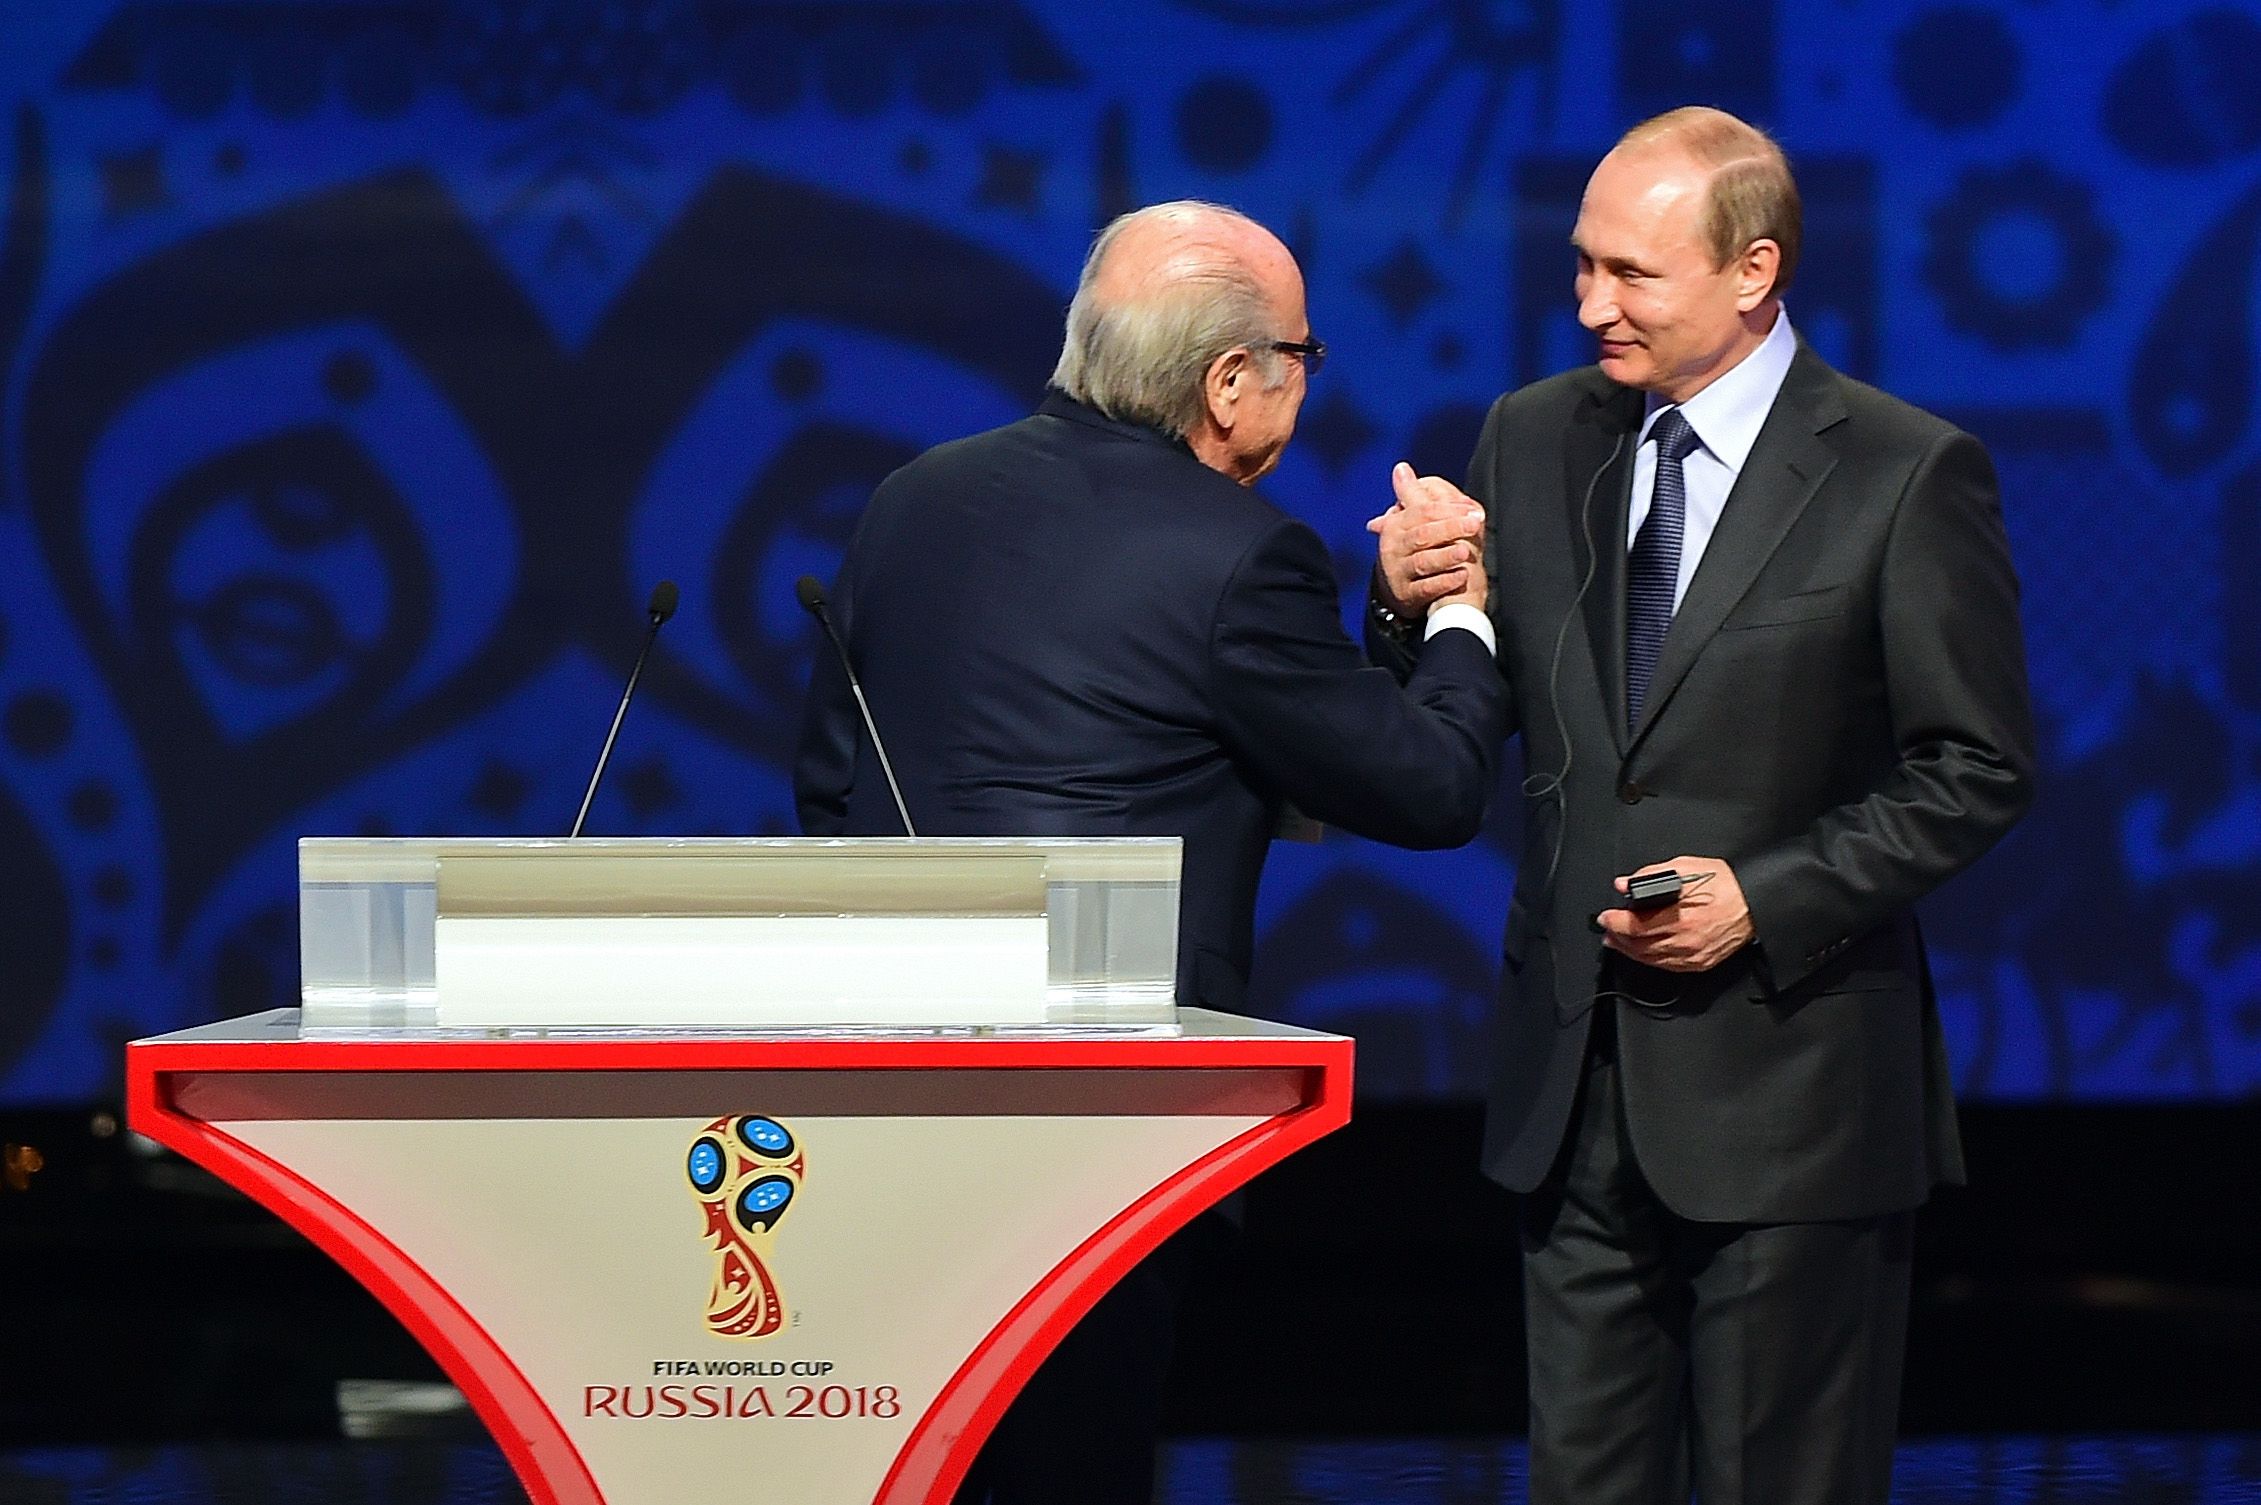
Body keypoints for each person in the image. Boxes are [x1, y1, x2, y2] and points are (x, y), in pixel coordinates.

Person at [794, 200, 1508, 1505]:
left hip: (890, 1109)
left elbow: (829, 787)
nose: (1303, 379)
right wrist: (1455, 615)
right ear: (1229, 382)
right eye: (1300, 354)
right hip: (1101, 1140)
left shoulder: (912, 499)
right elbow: (1428, 785)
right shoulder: (1242, 555)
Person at [1368, 108, 2035, 1504]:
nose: (1587, 303)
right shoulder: (1532, 433)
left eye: (1629, 274)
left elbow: (1973, 766)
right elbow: (1460, 712)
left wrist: (1767, 896)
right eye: (1578, 266)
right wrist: (1404, 606)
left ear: (1754, 271)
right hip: (1572, 1090)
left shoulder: (1902, 472)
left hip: (1793, 1094)